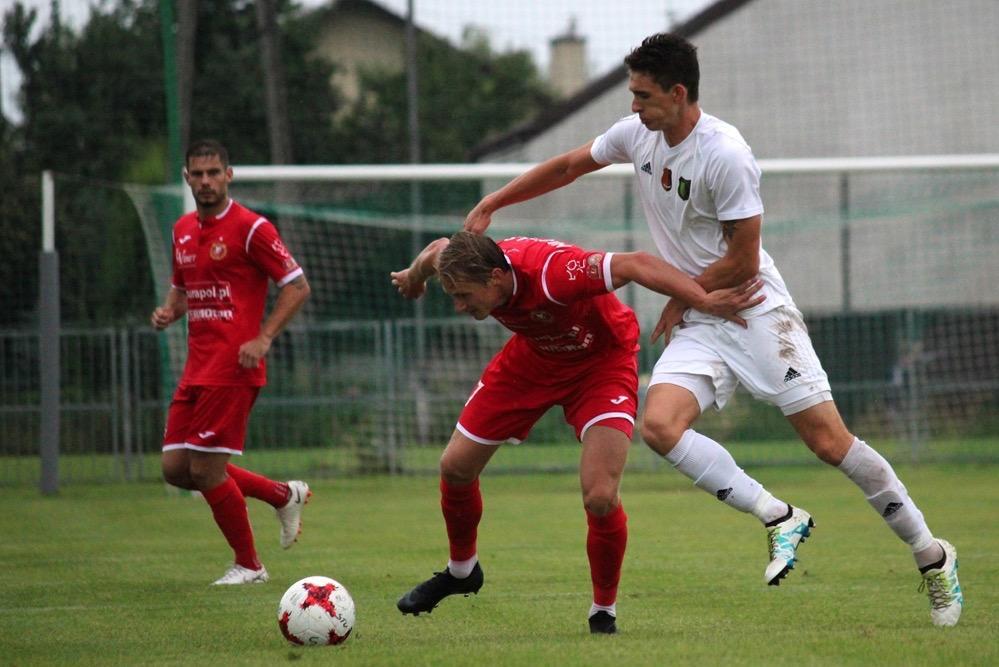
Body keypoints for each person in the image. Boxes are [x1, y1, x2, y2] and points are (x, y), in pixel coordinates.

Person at [462, 33, 962, 627]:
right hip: (701, 309)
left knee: (830, 444)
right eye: (632, 94)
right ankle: (780, 517)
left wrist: (679, 300)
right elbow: (571, 165)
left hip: (753, 308)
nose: (633, 107)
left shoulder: (725, 154)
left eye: (643, 96)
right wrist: (496, 199)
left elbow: (745, 261)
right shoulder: (638, 135)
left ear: (678, 94)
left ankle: (933, 557)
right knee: (660, 426)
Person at [390, 231, 763, 633]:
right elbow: (436, 250)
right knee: (455, 467)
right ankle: (462, 571)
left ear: (496, 277)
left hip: (602, 365)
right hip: (534, 359)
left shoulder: (555, 273)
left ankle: (603, 610)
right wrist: (415, 276)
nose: (460, 306)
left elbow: (636, 262)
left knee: (600, 497)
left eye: (464, 296)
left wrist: (702, 300)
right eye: (453, 297)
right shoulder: (462, 260)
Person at [151, 139, 313, 585]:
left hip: (233, 368)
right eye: (197, 174)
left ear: (229, 175)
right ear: (187, 178)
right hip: (196, 368)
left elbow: (297, 286)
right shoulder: (182, 229)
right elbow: (184, 290)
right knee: (176, 469)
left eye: (213, 172)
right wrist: (170, 311)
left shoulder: (251, 228)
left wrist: (263, 337)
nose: (205, 181)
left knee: (204, 470)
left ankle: (250, 566)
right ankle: (282, 494)